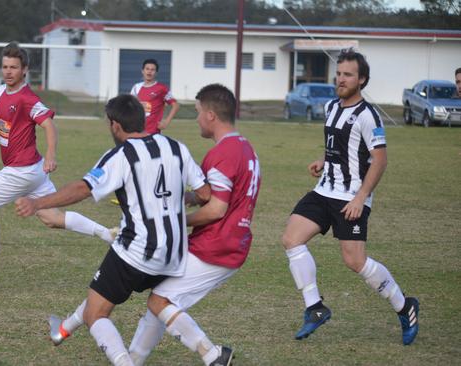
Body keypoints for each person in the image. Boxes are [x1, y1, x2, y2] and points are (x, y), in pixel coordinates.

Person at [15, 94, 232, 366]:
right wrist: (173, 199)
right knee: (104, 292)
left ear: (115, 125)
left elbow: (83, 189)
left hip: (137, 251)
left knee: (97, 314)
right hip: (174, 253)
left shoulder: (120, 155)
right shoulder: (176, 147)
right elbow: (204, 192)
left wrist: (37, 202)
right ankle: (63, 330)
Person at [280, 48, 419, 345]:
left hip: (351, 197)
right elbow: (341, 147)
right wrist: (324, 160)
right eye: (339, 73)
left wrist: (360, 198)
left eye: (348, 75)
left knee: (355, 261)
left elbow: (379, 160)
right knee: (292, 239)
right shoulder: (332, 106)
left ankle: (405, 307)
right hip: (324, 190)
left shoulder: (368, 116)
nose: (341, 79)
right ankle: (315, 308)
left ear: (362, 80)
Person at [0, 42, 114, 280]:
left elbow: (49, 124)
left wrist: (51, 153)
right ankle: (106, 234)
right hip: (33, 170)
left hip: (22, 169)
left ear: (24, 69)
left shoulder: (28, 98)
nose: (8, 72)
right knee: (52, 217)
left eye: (14, 67)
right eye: (5, 67)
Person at [124, 83, 260, 365]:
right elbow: (219, 195)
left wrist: (175, 220)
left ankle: (212, 355)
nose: (196, 118)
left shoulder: (223, 153)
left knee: (160, 301)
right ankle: (132, 359)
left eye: (198, 112)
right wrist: (185, 197)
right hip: (231, 242)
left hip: (217, 244)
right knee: (161, 299)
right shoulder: (244, 147)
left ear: (210, 115)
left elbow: (217, 209)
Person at [130, 59, 180, 135]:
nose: (149, 71)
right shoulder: (136, 87)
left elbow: (175, 105)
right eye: (147, 69)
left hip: (153, 132)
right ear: (142, 71)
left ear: (156, 73)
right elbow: (130, 107)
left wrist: (166, 122)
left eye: (152, 70)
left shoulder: (162, 88)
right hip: (136, 131)